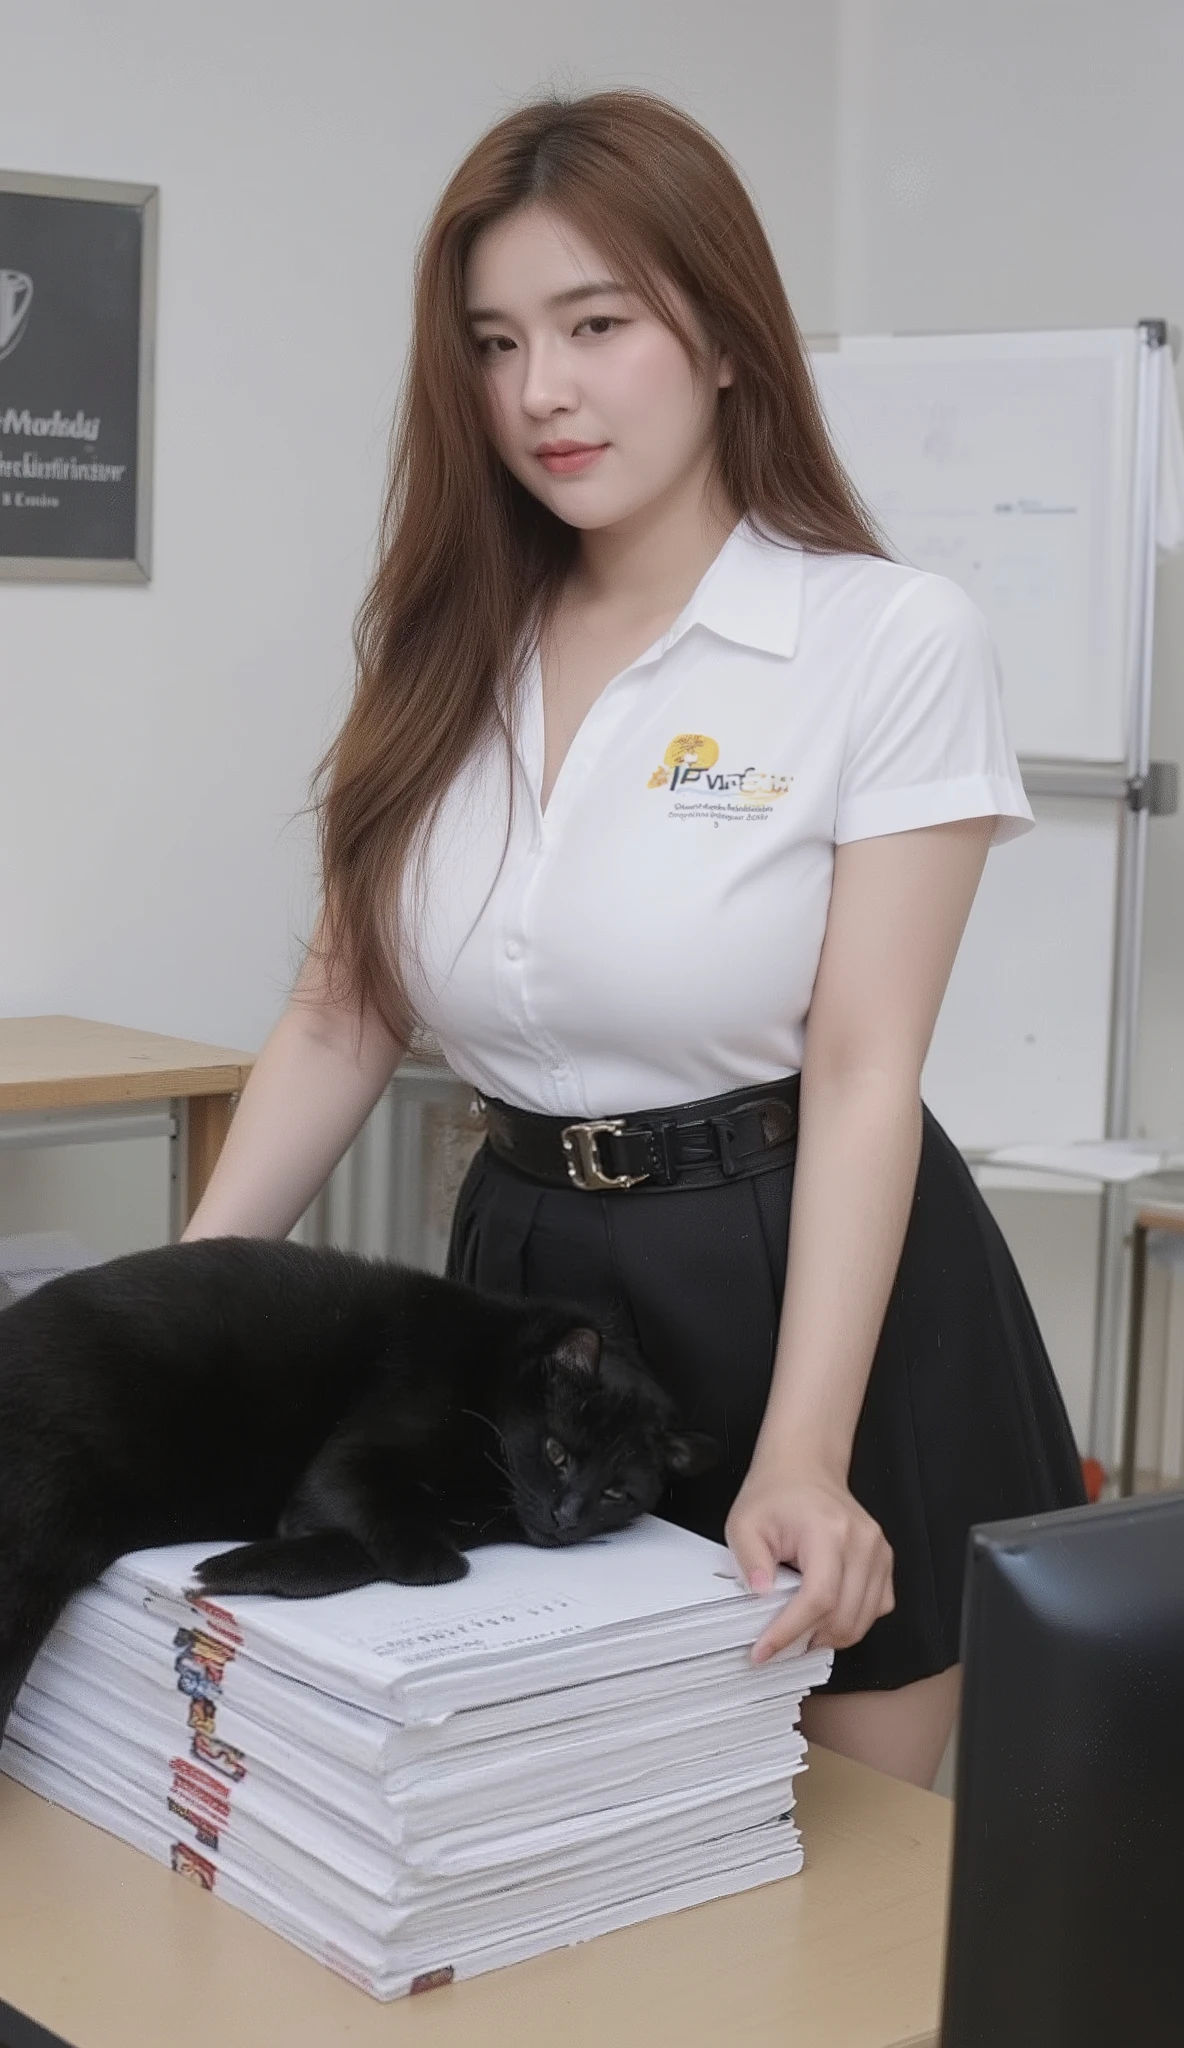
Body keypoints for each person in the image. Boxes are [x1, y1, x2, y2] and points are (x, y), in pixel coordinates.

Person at [184, 90, 1085, 1789]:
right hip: (523, 1274)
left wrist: (806, 1444)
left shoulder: (879, 636)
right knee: (530, 1817)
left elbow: (865, 1063)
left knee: (810, 1873)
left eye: (597, 325)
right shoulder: (448, 644)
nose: (542, 391)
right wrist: (176, 1318)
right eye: (497, 340)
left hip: (802, 1268)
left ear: (726, 335)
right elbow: (339, 1012)